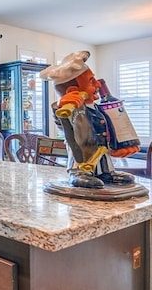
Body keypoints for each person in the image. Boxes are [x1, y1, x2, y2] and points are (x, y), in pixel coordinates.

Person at [39, 51, 137, 188]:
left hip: (101, 151)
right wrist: (62, 105)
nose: (97, 84)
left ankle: (106, 172)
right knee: (82, 161)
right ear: (73, 90)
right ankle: (78, 174)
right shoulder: (72, 109)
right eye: (91, 81)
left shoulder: (96, 107)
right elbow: (63, 123)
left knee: (103, 161)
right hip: (81, 157)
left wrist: (120, 144)